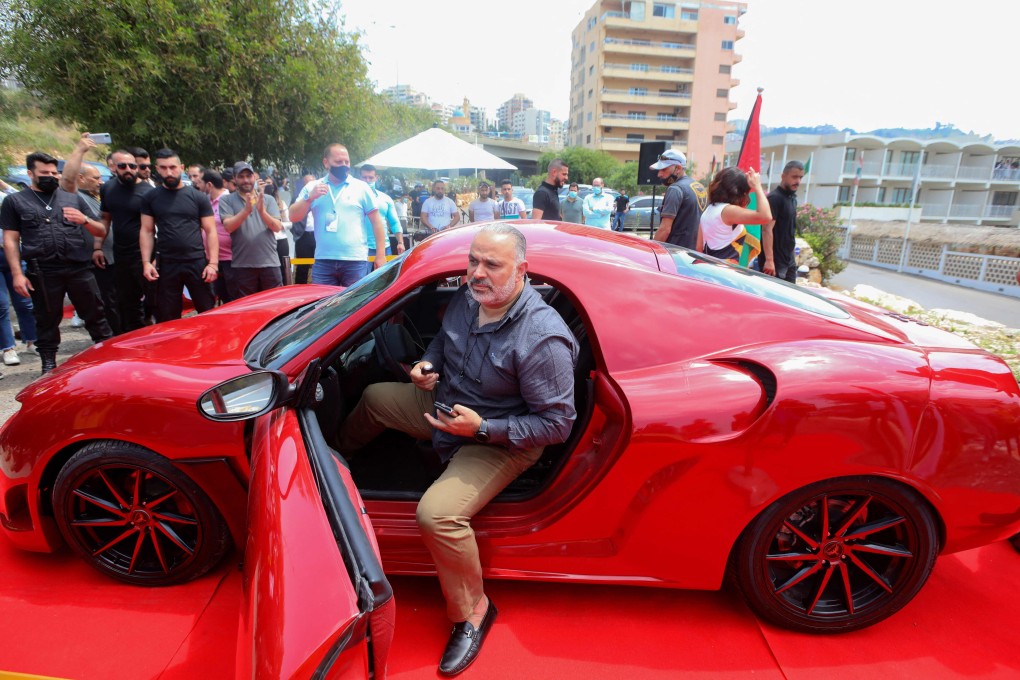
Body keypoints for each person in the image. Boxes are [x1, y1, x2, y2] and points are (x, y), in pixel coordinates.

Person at [337, 224, 578, 676]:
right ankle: (334, 460)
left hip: (501, 439)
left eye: (492, 264)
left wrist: (481, 428)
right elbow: (442, 343)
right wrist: (427, 366)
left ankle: (473, 612)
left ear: (521, 270)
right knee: (374, 398)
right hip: (447, 406)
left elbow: (556, 425)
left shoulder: (543, 337)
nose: (477, 273)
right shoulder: (471, 298)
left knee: (438, 514)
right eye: (473, 261)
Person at [1, 149, 112, 373]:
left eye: (54, 173)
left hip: (78, 267)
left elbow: (101, 230)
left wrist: (84, 219)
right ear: (30, 173)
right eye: (44, 173)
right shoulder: (15, 201)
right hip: (43, 270)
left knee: (96, 315)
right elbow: (10, 240)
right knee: (46, 319)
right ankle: (49, 364)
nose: (51, 177)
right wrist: (17, 274)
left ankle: (108, 359)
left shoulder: (72, 197)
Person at [288, 143, 386, 287]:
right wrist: (309, 198)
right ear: (326, 163)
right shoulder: (313, 187)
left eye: (347, 162)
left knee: (355, 301)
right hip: (323, 261)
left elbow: (377, 222)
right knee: (323, 301)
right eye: (339, 162)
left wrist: (380, 255)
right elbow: (293, 216)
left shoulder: (361, 188)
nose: (344, 165)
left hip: (355, 261)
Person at [139, 148, 219, 322]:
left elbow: (211, 230)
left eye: (173, 167)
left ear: (181, 168)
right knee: (168, 315)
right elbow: (146, 230)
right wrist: (146, 262)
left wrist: (213, 264)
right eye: (163, 168)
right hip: (167, 263)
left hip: (196, 261)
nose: (169, 172)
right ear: (157, 169)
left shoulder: (198, 197)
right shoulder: (150, 197)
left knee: (207, 311)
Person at [99, 148, 154, 332]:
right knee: (126, 300)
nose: (128, 169)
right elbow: (105, 218)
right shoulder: (107, 188)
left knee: (153, 297)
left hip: (144, 254)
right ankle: (134, 336)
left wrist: (152, 258)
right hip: (121, 253)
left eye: (132, 166)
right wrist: (97, 247)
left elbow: (153, 227)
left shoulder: (148, 191)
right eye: (123, 166)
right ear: (113, 167)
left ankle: (150, 329)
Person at [218, 162, 283, 297]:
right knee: (247, 306)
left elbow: (277, 227)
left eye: (249, 176)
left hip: (269, 262)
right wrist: (246, 210)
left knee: (275, 303)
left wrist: (262, 211)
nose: (246, 180)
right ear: (234, 178)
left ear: (254, 177)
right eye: (241, 176)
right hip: (242, 265)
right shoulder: (226, 200)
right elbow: (228, 227)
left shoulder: (268, 199)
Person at [78, 162, 121, 335]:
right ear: (81, 178)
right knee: (107, 300)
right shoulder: (76, 197)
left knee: (115, 297)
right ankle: (115, 334)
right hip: (98, 258)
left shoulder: (93, 197)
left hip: (110, 256)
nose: (100, 182)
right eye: (95, 178)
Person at [696, 166, 773, 264]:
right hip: (725, 269)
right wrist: (757, 186)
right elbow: (766, 216)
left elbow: (699, 247)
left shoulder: (709, 209)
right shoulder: (728, 211)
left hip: (708, 267)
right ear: (739, 192)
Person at [651, 149, 707, 249]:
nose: (659, 174)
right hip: (695, 252)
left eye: (664, 169)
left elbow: (665, 229)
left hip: (676, 251)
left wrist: (652, 250)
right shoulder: (699, 187)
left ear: (678, 168)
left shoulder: (675, 189)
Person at [761, 160, 805, 282]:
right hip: (775, 262)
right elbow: (766, 229)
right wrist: (769, 260)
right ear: (783, 176)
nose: (798, 181)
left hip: (788, 261)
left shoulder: (792, 198)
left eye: (800, 177)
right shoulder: (775, 198)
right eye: (794, 177)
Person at [202, 169, 235, 303]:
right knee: (222, 296)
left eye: (200, 182)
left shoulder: (229, 200)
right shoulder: (205, 201)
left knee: (233, 298)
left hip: (231, 259)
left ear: (209, 185)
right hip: (213, 259)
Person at [359, 165, 404, 259]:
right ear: (360, 178)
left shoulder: (386, 199)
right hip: (359, 248)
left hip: (384, 247)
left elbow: (394, 222)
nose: (367, 180)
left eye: (370, 177)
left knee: (386, 270)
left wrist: (400, 242)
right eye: (364, 177)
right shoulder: (353, 198)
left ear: (376, 178)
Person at [290, 174, 317, 285]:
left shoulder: (322, 196)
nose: (310, 185)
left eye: (312, 182)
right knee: (302, 267)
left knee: (320, 265)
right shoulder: (298, 198)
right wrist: (296, 233)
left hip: (318, 235)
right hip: (303, 235)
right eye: (307, 183)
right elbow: (292, 216)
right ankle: (300, 289)